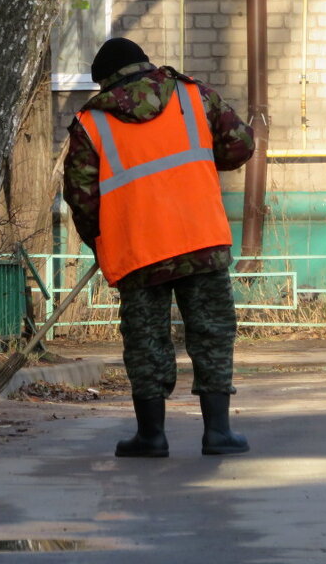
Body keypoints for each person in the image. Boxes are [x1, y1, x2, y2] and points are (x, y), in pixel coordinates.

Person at [63, 37, 255, 457]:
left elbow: (81, 197)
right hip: (200, 239)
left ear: (103, 82)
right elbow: (241, 145)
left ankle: (151, 436)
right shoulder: (192, 96)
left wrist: (102, 242)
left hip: (138, 251)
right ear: (145, 64)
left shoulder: (92, 123)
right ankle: (218, 433)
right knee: (212, 334)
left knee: (146, 341)